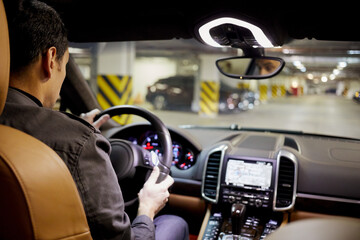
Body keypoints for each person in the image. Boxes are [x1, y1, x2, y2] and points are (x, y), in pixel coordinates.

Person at [0, 0, 189, 239]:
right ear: (50, 60)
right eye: (65, 65)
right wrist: (147, 208)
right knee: (174, 222)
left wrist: (78, 133)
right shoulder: (79, 141)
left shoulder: (68, 137)